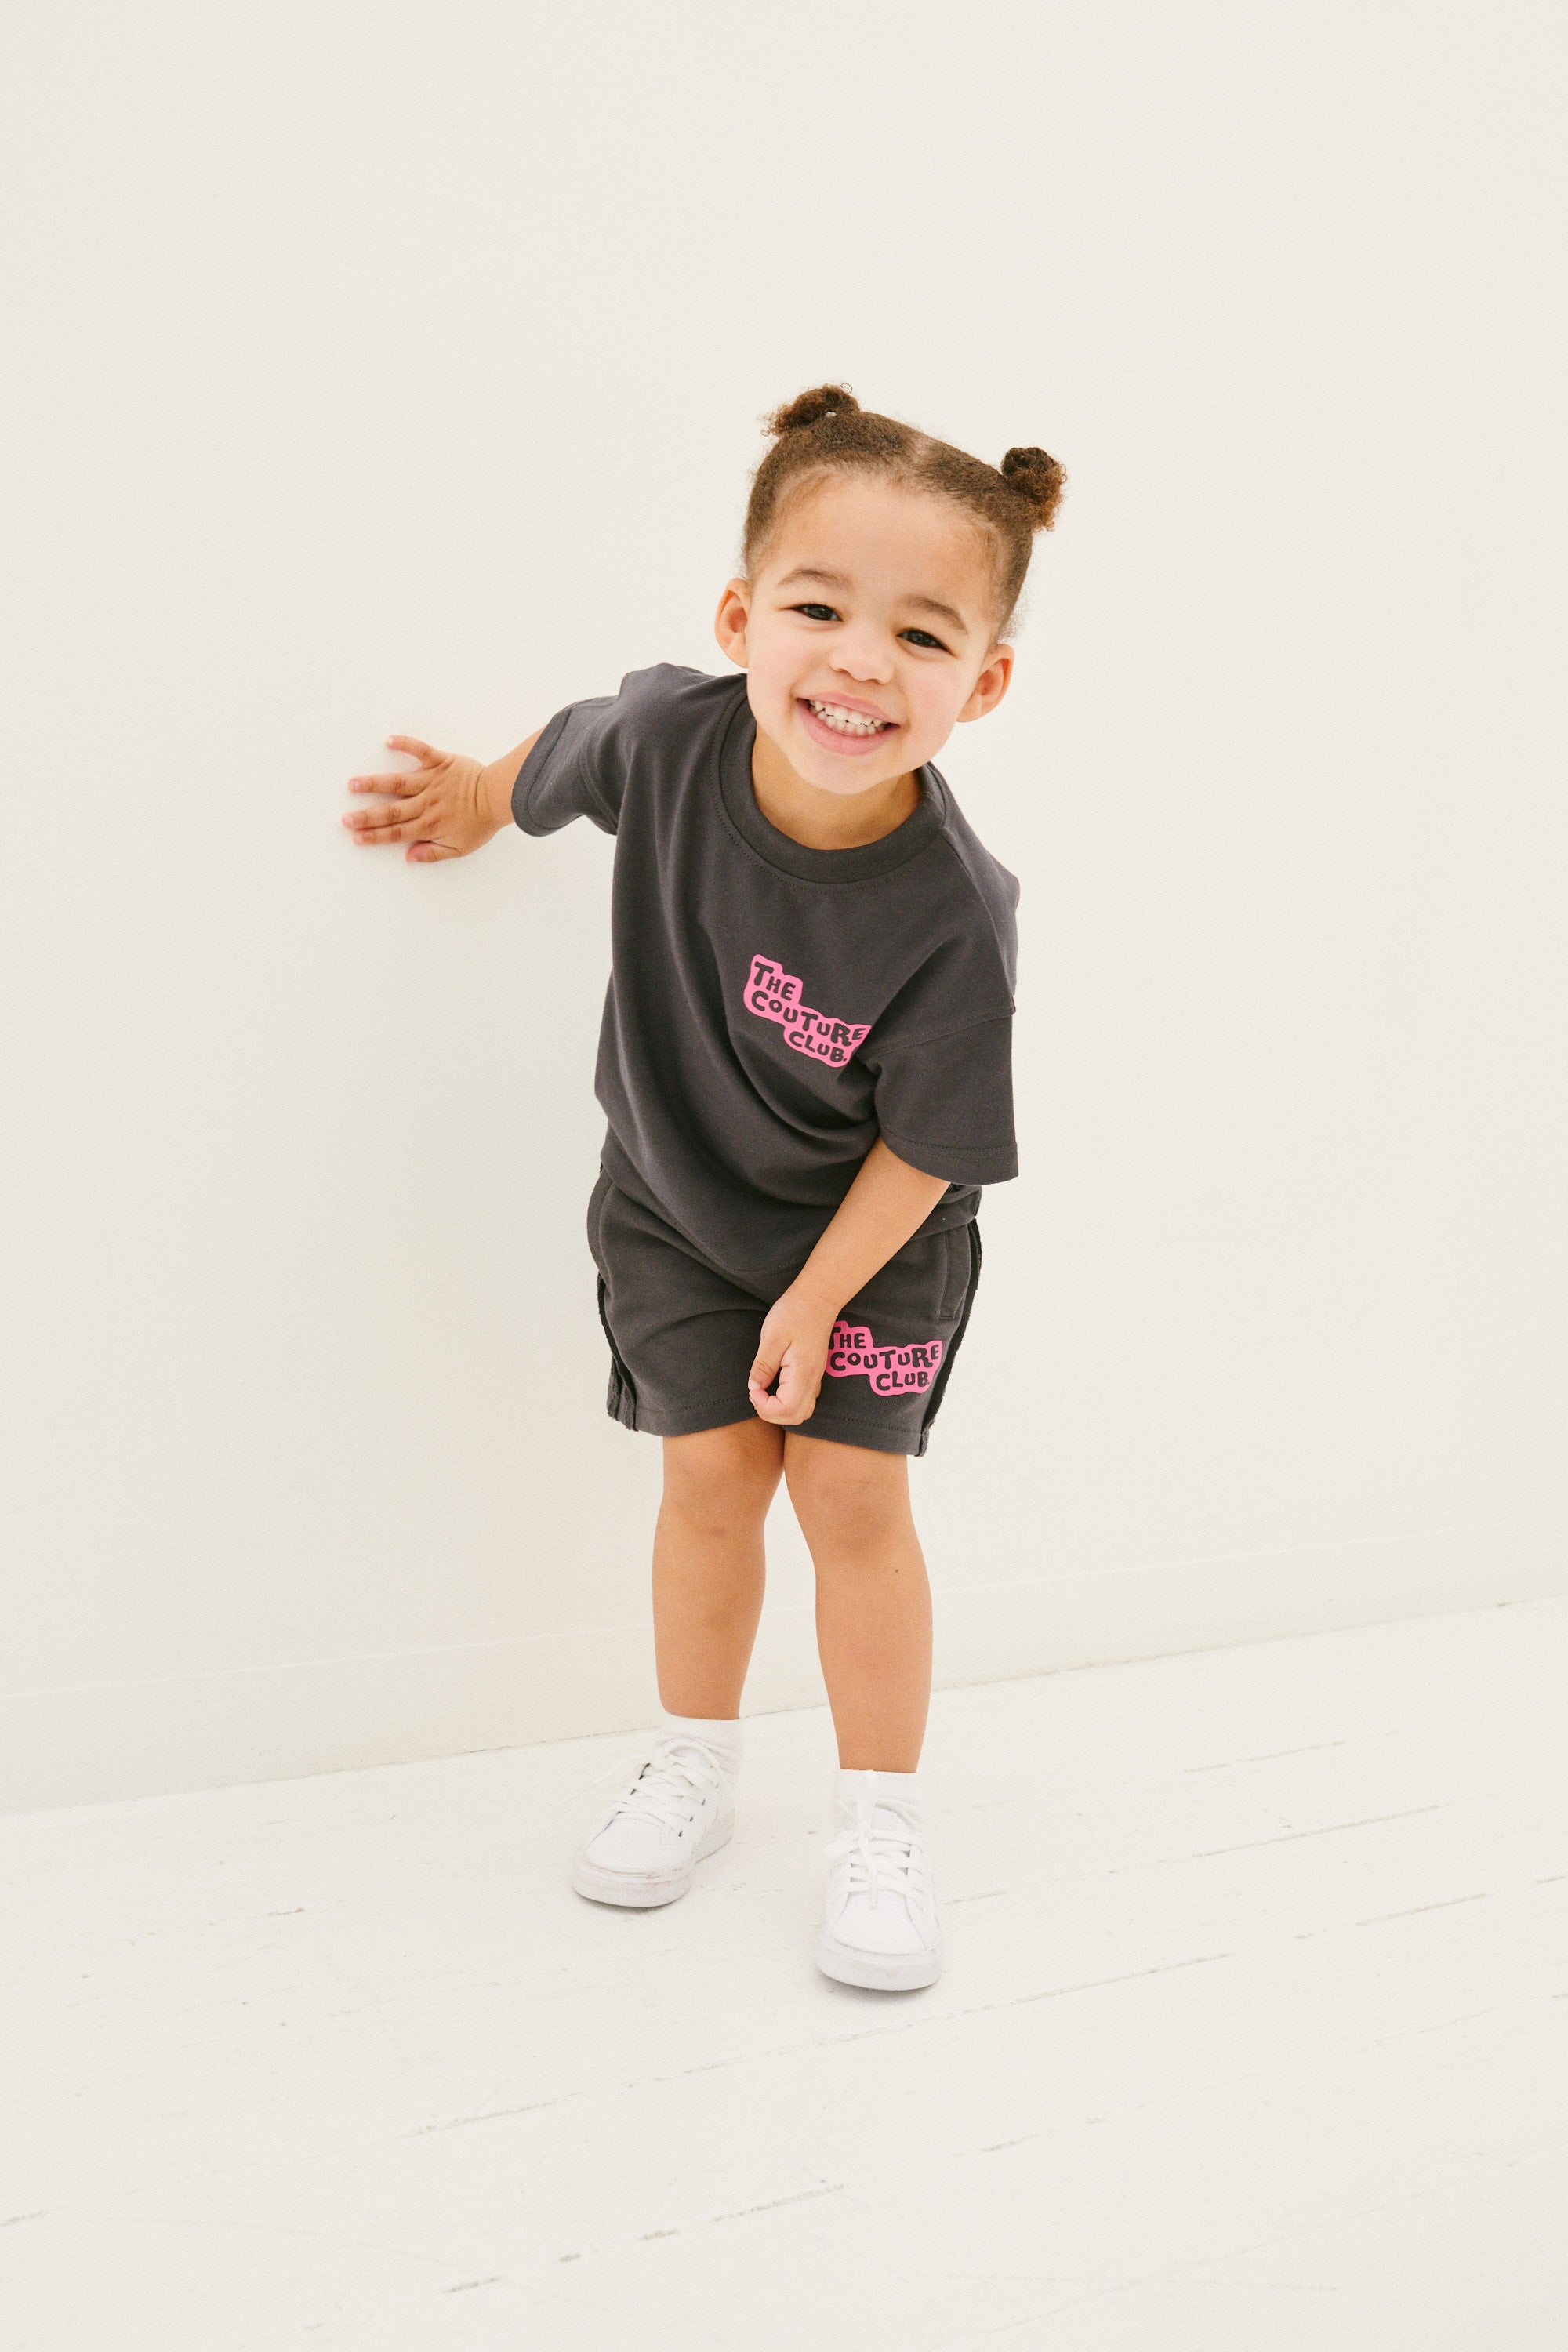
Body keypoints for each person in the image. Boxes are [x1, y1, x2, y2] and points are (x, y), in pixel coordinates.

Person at [341, 386, 1065, 1991]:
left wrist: (815, 1300)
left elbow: (933, 1145)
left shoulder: (956, 911)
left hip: (872, 1246)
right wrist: (476, 797)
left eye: (921, 635)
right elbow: (565, 753)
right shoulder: (671, 740)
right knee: (712, 1484)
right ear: (741, 619)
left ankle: (879, 1822)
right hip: (673, 1209)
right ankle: (695, 1762)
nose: (860, 662)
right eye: (818, 609)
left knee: (851, 1500)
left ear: (983, 682)